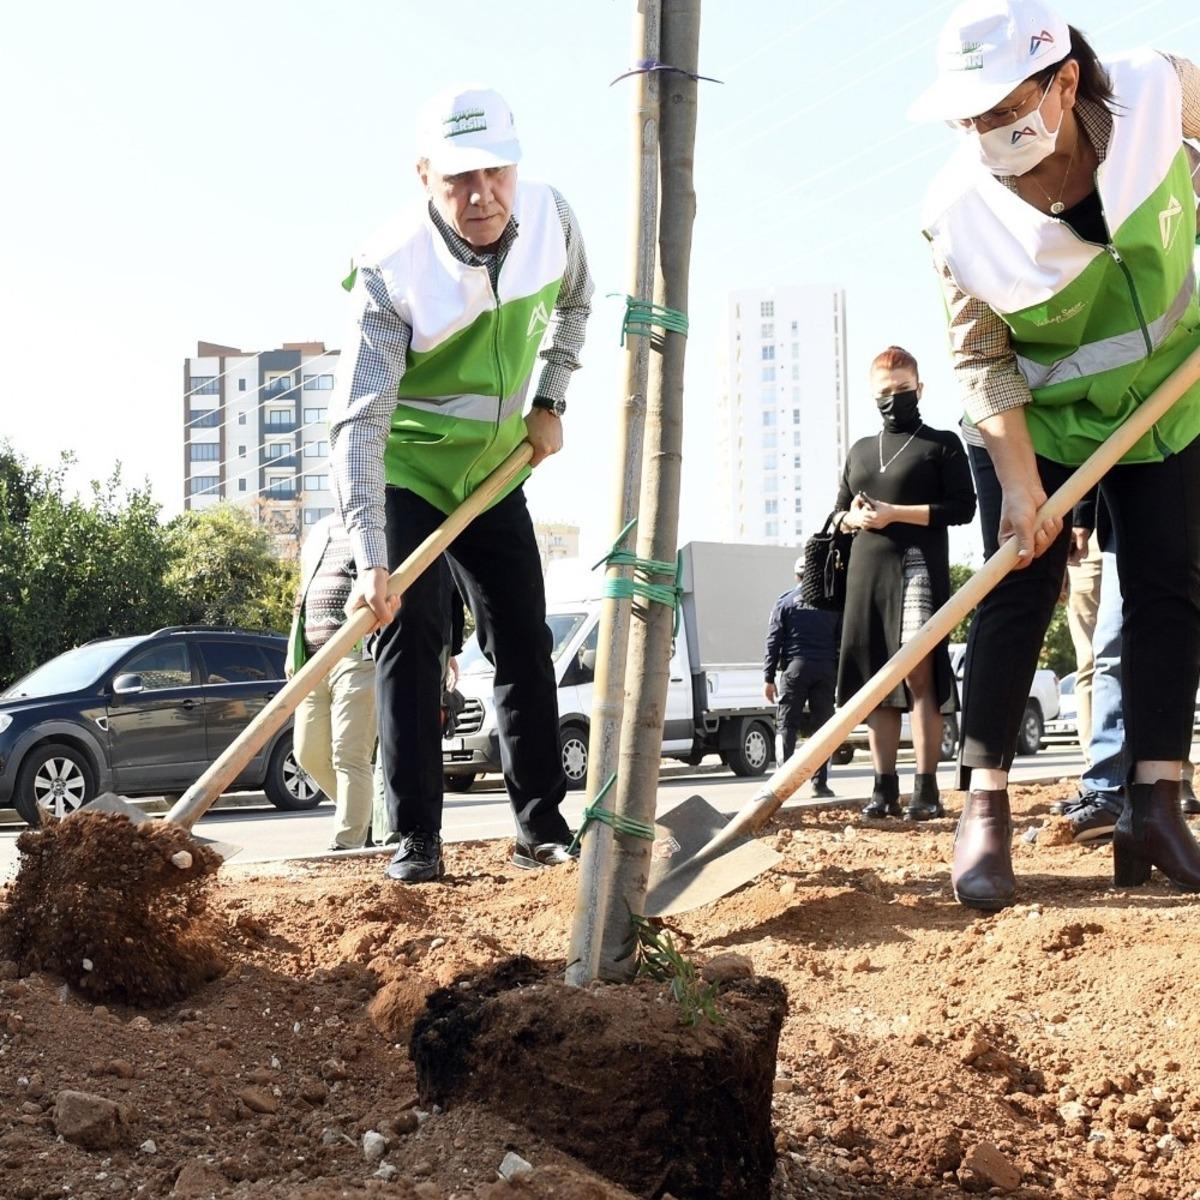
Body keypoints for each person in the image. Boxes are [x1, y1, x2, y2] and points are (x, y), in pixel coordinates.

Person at [912, 0, 1200, 908]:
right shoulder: (955, 214)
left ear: (1064, 79)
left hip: (1169, 395)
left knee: (1168, 583)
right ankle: (984, 810)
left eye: (1003, 109)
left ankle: (1155, 803)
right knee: (1018, 581)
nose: (987, 132)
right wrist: (1021, 485)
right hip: (1036, 417)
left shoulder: (1157, 89)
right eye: (971, 118)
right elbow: (979, 360)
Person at [329, 85, 593, 884]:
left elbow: (577, 304)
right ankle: (414, 839)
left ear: (516, 165)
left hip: (493, 472)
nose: (481, 196)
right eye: (458, 180)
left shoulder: (554, 219)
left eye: (495, 173)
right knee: (409, 640)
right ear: (424, 177)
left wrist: (551, 397)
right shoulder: (390, 268)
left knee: (521, 639)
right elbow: (359, 423)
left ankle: (542, 827)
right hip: (410, 471)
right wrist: (372, 555)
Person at [833, 347, 976, 822]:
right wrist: (853, 518)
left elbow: (962, 508)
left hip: (917, 564)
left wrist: (896, 514)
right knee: (877, 681)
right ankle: (883, 787)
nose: (894, 398)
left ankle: (927, 787)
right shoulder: (858, 450)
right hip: (865, 571)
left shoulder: (942, 444)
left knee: (918, 674)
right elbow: (835, 513)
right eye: (885, 392)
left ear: (919, 386)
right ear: (872, 395)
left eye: (903, 389)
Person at [286, 515, 377, 851]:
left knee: (349, 753)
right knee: (307, 752)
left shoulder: (373, 524)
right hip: (311, 658)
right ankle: (362, 817)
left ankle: (347, 841)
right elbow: (303, 592)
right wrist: (291, 647)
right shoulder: (321, 530)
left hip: (355, 656)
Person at [763, 560, 840, 799]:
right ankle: (820, 783)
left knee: (787, 725)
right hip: (826, 669)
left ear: (796, 576)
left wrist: (768, 677)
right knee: (823, 729)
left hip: (794, 669)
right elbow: (840, 640)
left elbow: (773, 639)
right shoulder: (832, 603)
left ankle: (781, 783)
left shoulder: (785, 602)